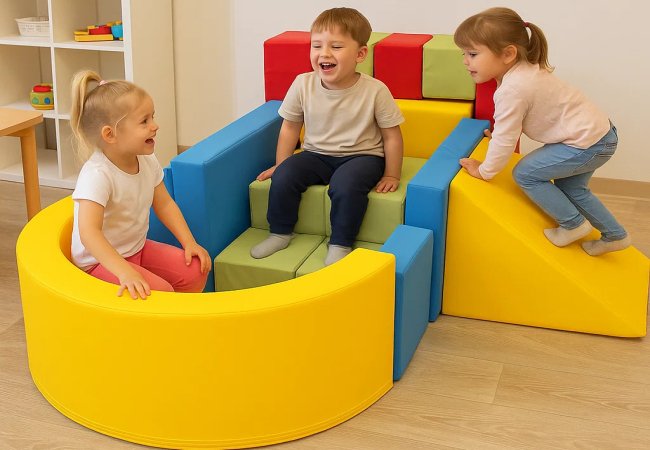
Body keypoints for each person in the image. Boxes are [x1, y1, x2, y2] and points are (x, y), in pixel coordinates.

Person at [454, 7, 630, 256]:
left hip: (587, 142)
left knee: (526, 174)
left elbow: (506, 136)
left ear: (508, 54)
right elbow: (512, 125)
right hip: (598, 135)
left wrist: (484, 171)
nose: (465, 60)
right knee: (573, 189)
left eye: (472, 54)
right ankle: (615, 235)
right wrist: (500, 135)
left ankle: (573, 224)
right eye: (463, 53)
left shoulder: (513, 88)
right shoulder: (524, 72)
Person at [251, 7, 404, 265]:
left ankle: (341, 243)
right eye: (317, 46)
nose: (324, 53)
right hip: (316, 154)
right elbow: (290, 128)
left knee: (345, 186)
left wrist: (392, 174)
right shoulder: (303, 84)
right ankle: (279, 232)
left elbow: (392, 136)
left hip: (362, 156)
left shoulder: (375, 90)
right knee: (285, 176)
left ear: (360, 54)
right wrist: (281, 164)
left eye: (336, 46)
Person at [69, 70, 211, 299]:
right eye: (144, 121)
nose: (155, 126)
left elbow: (164, 204)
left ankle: (175, 317)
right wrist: (124, 272)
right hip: (98, 262)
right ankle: (162, 319)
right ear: (110, 134)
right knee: (161, 294)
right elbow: (89, 233)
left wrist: (189, 242)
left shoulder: (146, 160)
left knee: (196, 270)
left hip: (136, 249)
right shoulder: (97, 175)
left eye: (152, 117)